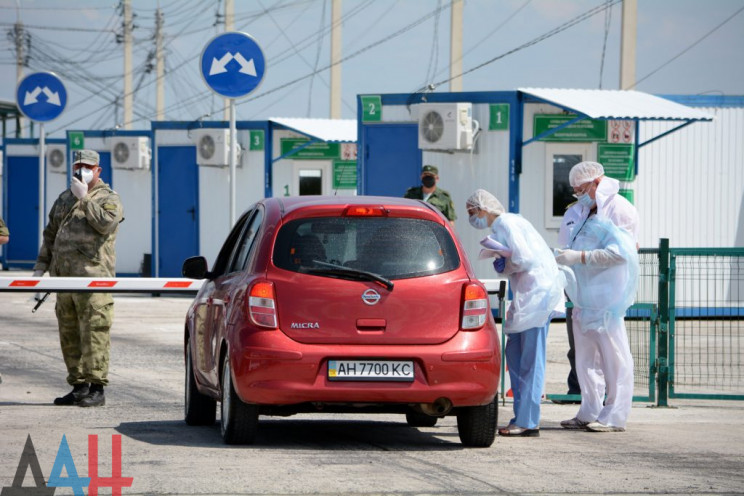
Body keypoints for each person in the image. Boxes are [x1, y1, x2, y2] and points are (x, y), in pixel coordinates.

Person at [466, 189, 564, 437]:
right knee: (516, 355)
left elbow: (525, 258)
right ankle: (522, 416)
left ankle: (529, 420)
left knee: (530, 360)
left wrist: (504, 263)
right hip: (529, 297)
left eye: (472, 212)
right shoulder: (505, 226)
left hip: (538, 297)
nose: (472, 218)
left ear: (483, 208)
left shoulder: (508, 223)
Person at [33, 149, 124, 407]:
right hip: (64, 280)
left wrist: (85, 200)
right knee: (69, 333)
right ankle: (78, 385)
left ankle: (97, 388)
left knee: (94, 332)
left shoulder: (109, 198)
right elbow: (50, 234)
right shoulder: (64, 198)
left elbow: (106, 224)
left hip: (93, 279)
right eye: (77, 166)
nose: (81, 171)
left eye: (87, 166)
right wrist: (40, 268)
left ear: (98, 170)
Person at [555, 161, 639, 432]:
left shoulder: (619, 209)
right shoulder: (578, 211)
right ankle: (589, 410)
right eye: (575, 190)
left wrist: (580, 257)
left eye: (582, 188)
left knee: (614, 357)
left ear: (597, 182)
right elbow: (570, 242)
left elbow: (621, 253)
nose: (578, 193)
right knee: (585, 358)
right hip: (582, 296)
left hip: (608, 299)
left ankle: (614, 415)